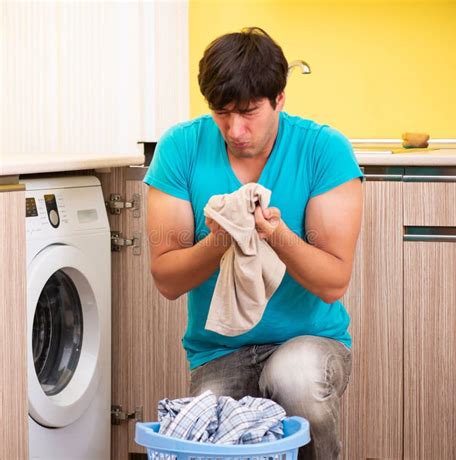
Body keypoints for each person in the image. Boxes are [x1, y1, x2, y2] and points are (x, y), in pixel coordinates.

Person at [144, 27, 363, 460]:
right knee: (208, 435)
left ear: (279, 98)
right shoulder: (180, 148)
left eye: (248, 112)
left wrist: (275, 235)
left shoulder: (323, 150)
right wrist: (221, 237)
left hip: (309, 341)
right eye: (221, 113)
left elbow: (333, 281)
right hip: (219, 350)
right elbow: (167, 279)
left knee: (295, 377)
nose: (235, 129)